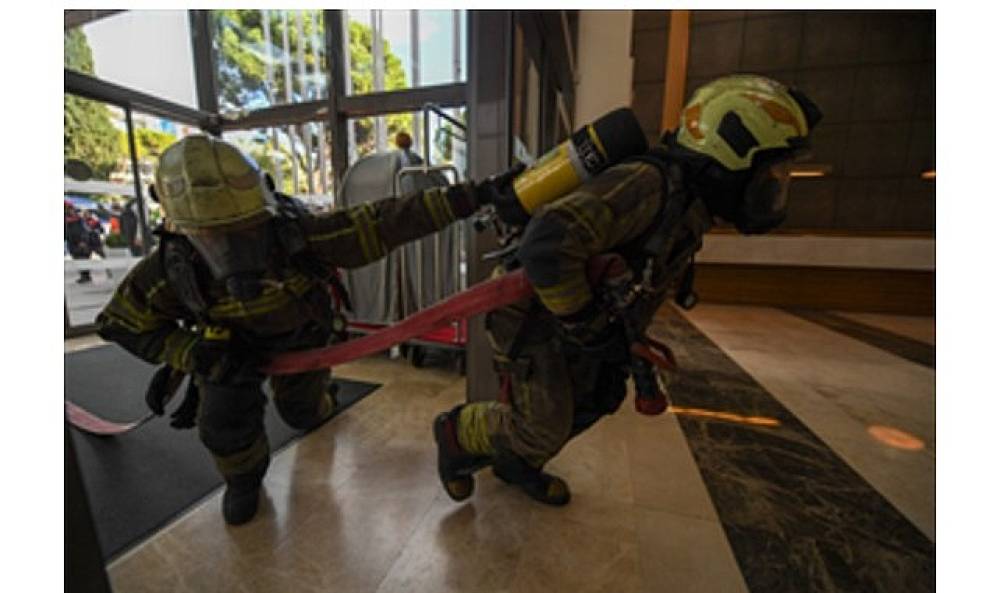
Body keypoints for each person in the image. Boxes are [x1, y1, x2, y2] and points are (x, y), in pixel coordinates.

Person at [432, 74, 822, 506]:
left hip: (573, 308)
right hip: (530, 310)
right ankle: (455, 434)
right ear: (731, 150)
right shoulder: (648, 184)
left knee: (600, 394)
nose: (775, 185)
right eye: (771, 171)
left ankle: (515, 462)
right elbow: (546, 245)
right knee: (542, 423)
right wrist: (590, 327)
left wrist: (614, 332)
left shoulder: (689, 202)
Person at [96, 135, 510, 525]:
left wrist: (475, 195)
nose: (233, 247)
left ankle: (321, 400)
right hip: (227, 354)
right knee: (222, 421)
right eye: (213, 237)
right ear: (181, 229)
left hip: (301, 339)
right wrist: (191, 353)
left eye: (246, 230)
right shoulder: (166, 271)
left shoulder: (299, 235)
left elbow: (387, 221)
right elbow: (119, 323)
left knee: (302, 414)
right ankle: (243, 480)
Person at [64, 201, 93, 284]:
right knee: (77, 259)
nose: (69, 210)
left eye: (70, 209)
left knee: (83, 258)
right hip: (72, 243)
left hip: (82, 243)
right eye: (67, 209)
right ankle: (84, 276)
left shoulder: (79, 219)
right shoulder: (66, 220)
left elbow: (86, 230)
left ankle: (86, 276)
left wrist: (83, 241)